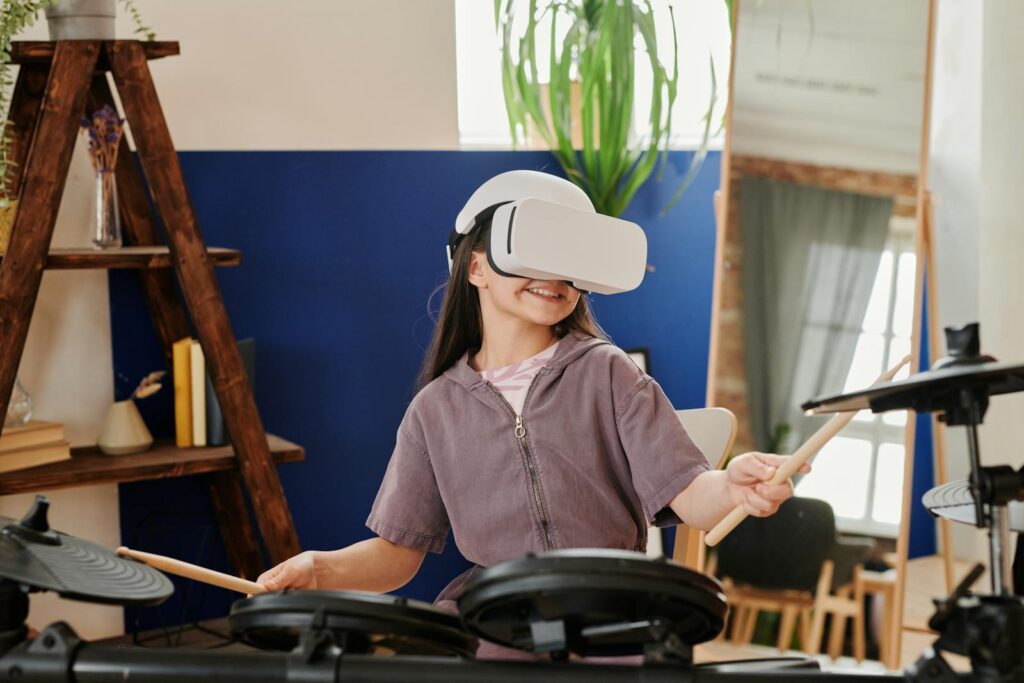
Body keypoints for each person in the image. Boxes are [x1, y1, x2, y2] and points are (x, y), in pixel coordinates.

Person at [257, 170, 807, 650]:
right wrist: (321, 568)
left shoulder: (608, 373)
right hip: (495, 624)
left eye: (571, 263)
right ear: (476, 268)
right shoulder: (433, 412)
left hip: (612, 615)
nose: (555, 276)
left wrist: (734, 487)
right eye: (534, 254)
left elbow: (691, 493)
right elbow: (397, 553)